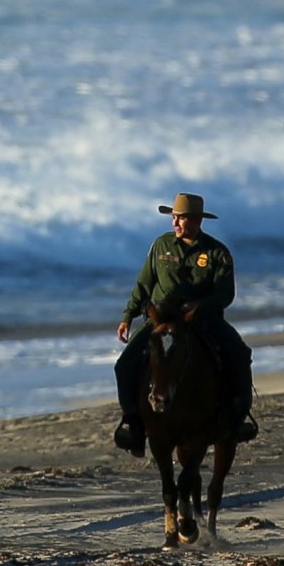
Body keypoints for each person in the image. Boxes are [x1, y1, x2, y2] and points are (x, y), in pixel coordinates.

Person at [113, 192, 256, 455]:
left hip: (202, 320)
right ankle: (133, 423)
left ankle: (238, 419)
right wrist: (127, 316)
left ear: (196, 220)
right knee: (124, 365)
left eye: (180, 218)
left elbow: (226, 294)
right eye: (174, 218)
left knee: (239, 354)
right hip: (161, 319)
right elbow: (144, 285)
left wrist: (200, 306)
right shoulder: (160, 246)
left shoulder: (217, 252)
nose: (174, 223)